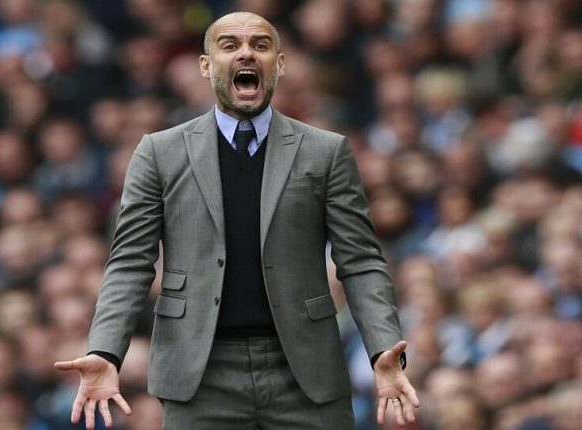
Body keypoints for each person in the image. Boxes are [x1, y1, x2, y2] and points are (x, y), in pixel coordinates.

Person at [55, 11, 419, 429]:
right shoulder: (159, 153)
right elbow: (129, 262)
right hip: (198, 373)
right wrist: (105, 350)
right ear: (206, 65)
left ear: (280, 64)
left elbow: (361, 260)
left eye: (260, 45)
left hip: (306, 370)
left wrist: (383, 349)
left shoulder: (326, 151)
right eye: (230, 45)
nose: (246, 54)